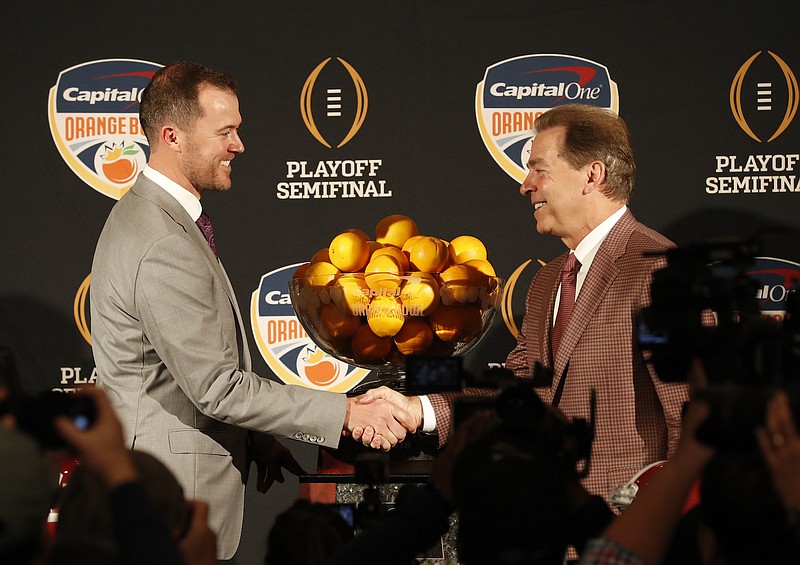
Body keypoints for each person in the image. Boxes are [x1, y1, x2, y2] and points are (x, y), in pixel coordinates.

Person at [89, 61, 416, 560]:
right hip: (169, 504)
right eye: (225, 132)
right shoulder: (160, 241)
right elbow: (216, 387)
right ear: (173, 137)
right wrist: (346, 412)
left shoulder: (158, 218)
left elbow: (175, 375)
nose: (239, 145)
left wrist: (253, 440)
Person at [359, 103, 689, 505]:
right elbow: (520, 390)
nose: (525, 184)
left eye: (539, 169)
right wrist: (418, 410)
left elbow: (693, 420)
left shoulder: (658, 270)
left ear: (592, 175)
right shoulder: (549, 279)